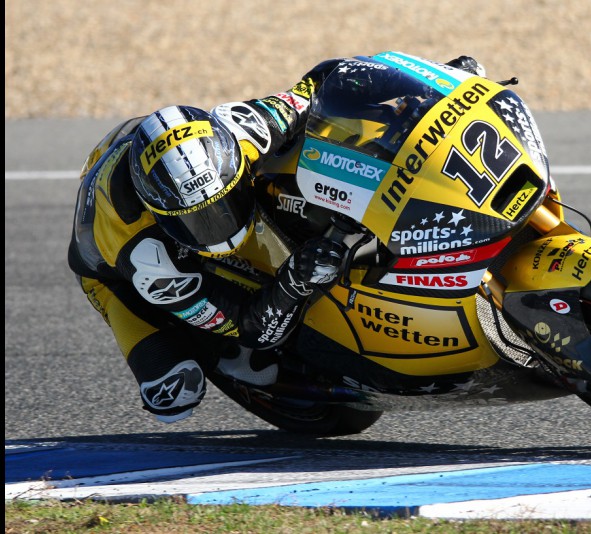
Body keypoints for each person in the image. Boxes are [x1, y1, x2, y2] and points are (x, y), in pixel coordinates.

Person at [67, 55, 485, 424]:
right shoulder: (145, 255)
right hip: (113, 275)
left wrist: (434, 88)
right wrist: (293, 284)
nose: (217, 226)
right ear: (159, 211)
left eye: (222, 206)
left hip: (155, 157)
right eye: (199, 221)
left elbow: (328, 78)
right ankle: (218, 358)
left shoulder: (244, 130)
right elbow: (251, 326)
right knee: (174, 391)